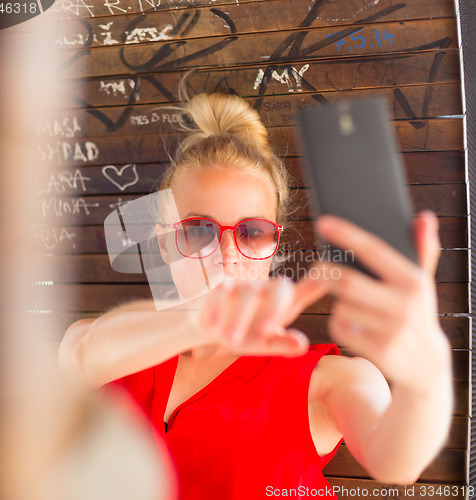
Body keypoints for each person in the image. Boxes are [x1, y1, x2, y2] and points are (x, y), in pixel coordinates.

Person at [58, 92, 453, 499]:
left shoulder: (328, 381)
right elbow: (80, 358)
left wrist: (427, 378)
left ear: (274, 248)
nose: (228, 255)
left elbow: (397, 460)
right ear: (163, 244)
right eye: (198, 230)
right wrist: (198, 321)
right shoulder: (110, 350)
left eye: (252, 232)